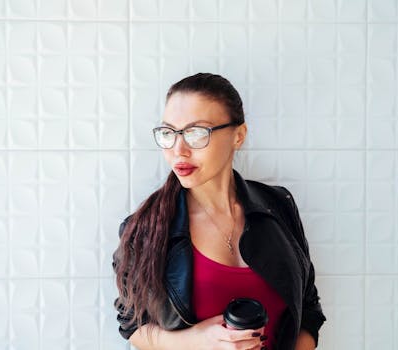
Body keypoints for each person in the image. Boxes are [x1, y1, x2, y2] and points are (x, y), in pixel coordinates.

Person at [113, 73, 326, 350]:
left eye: (196, 133)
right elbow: (132, 325)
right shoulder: (145, 229)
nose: (179, 150)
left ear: (238, 136)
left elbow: (308, 308)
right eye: (169, 133)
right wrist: (197, 341)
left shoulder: (279, 206)